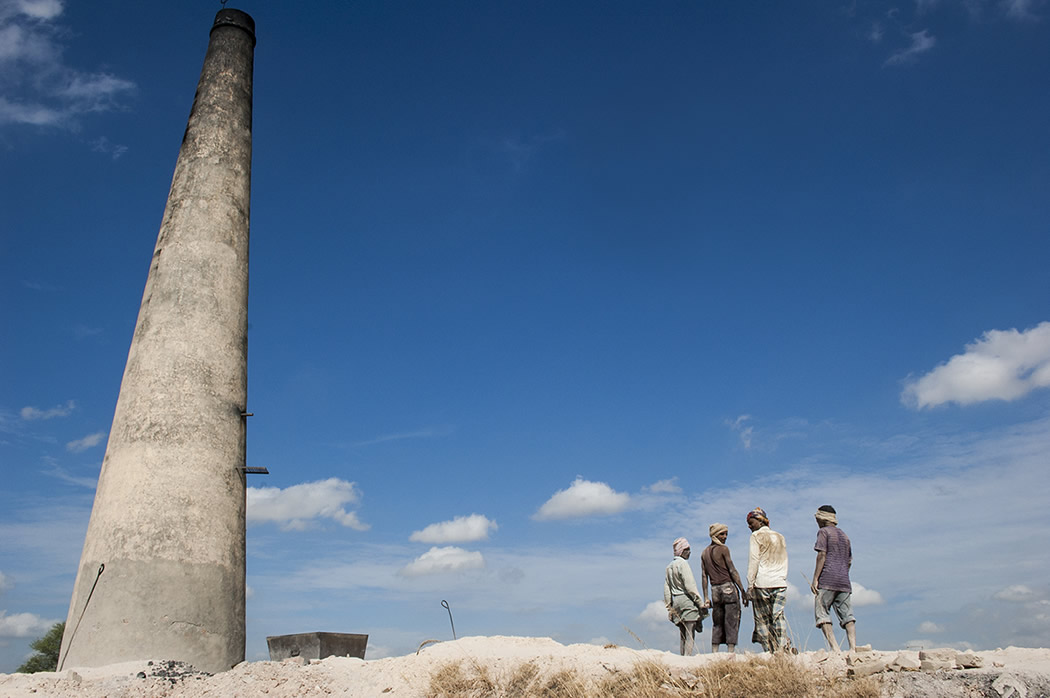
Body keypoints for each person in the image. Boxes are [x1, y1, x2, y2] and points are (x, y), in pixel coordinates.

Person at [810, 505, 857, 652]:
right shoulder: (844, 536)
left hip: (828, 578)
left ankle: (835, 648)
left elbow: (822, 555)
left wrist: (815, 578)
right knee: (847, 615)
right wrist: (843, 573)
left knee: (822, 611)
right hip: (844, 580)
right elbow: (849, 560)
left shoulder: (823, 532)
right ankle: (853, 647)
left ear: (821, 519)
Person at [746, 507, 789, 653]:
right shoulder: (780, 536)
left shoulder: (756, 536)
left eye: (751, 523)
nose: (750, 527)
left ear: (760, 520)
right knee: (778, 617)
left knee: (762, 620)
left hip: (762, 582)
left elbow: (754, 560)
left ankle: (768, 651)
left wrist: (750, 585)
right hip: (780, 582)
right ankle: (781, 649)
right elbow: (784, 559)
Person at [700, 522, 748, 653]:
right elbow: (732, 570)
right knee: (732, 619)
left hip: (714, 589)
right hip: (727, 587)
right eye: (722, 534)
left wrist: (706, 597)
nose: (725, 536)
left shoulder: (704, 553)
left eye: (726, 534)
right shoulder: (724, 549)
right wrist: (742, 590)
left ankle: (715, 650)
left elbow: (704, 576)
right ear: (715, 535)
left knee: (717, 622)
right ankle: (730, 650)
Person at [663, 537, 706, 655]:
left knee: (682, 633)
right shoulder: (683, 564)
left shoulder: (669, 567)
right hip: (686, 600)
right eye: (688, 549)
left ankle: (682, 657)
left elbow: (667, 589)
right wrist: (700, 602)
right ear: (682, 551)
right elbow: (690, 586)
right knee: (690, 632)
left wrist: (669, 606)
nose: (690, 552)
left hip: (676, 601)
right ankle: (688, 657)